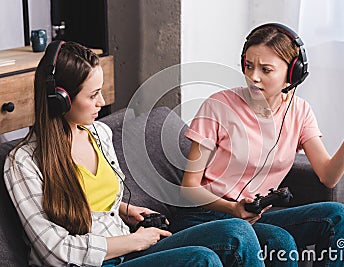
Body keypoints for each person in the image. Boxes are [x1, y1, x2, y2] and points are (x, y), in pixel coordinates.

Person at [3, 41, 265, 267]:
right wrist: (135, 240)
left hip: (128, 251)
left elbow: (89, 201)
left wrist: (124, 209)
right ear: (60, 99)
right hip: (99, 260)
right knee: (201, 259)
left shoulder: (99, 133)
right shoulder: (23, 162)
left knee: (237, 231)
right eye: (93, 95)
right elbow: (55, 252)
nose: (102, 102)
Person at [171, 23, 344, 266]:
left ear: (292, 73)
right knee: (280, 240)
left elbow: (329, 176)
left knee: (339, 216)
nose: (254, 77)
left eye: (266, 70)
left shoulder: (299, 111)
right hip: (206, 217)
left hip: (252, 218)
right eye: (249, 66)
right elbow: (188, 188)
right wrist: (232, 208)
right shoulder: (218, 106)